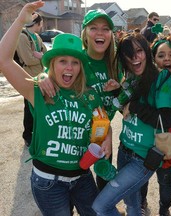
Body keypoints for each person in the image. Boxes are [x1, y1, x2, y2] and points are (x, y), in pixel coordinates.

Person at [0, 1, 113, 215]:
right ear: (52, 64)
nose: (69, 67)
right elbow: (4, 60)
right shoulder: (39, 91)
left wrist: (106, 138)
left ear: (81, 67)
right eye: (62, 61)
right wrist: (19, 21)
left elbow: (103, 125)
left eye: (75, 62)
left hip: (82, 178)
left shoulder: (90, 96)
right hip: (49, 183)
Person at [91, 32, 171, 215]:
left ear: (147, 50)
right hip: (124, 151)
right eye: (128, 53)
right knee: (132, 205)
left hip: (143, 159)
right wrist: (118, 92)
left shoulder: (163, 79)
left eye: (139, 51)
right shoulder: (130, 80)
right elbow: (128, 114)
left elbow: (164, 121)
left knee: (100, 206)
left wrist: (134, 105)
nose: (134, 57)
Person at [37, 8, 120, 192]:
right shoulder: (77, 59)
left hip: (102, 129)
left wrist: (118, 90)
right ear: (85, 33)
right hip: (76, 130)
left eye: (105, 28)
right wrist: (42, 76)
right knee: (76, 174)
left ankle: (102, 207)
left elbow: (124, 97)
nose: (100, 32)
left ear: (111, 34)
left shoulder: (116, 63)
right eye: (93, 27)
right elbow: (57, 68)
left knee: (103, 172)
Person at [140, 38, 171, 216]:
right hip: (146, 136)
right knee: (143, 176)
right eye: (161, 55)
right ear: (154, 58)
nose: (167, 59)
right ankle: (141, 202)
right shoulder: (146, 79)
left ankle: (164, 208)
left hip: (168, 139)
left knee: (165, 179)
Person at [16, 11, 47, 147]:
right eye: (41, 24)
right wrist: (40, 57)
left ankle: (36, 132)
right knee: (29, 108)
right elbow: (28, 59)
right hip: (28, 77)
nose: (42, 26)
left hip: (40, 76)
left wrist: (41, 56)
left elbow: (46, 54)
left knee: (38, 106)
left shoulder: (36, 36)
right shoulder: (22, 36)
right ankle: (27, 135)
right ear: (38, 23)